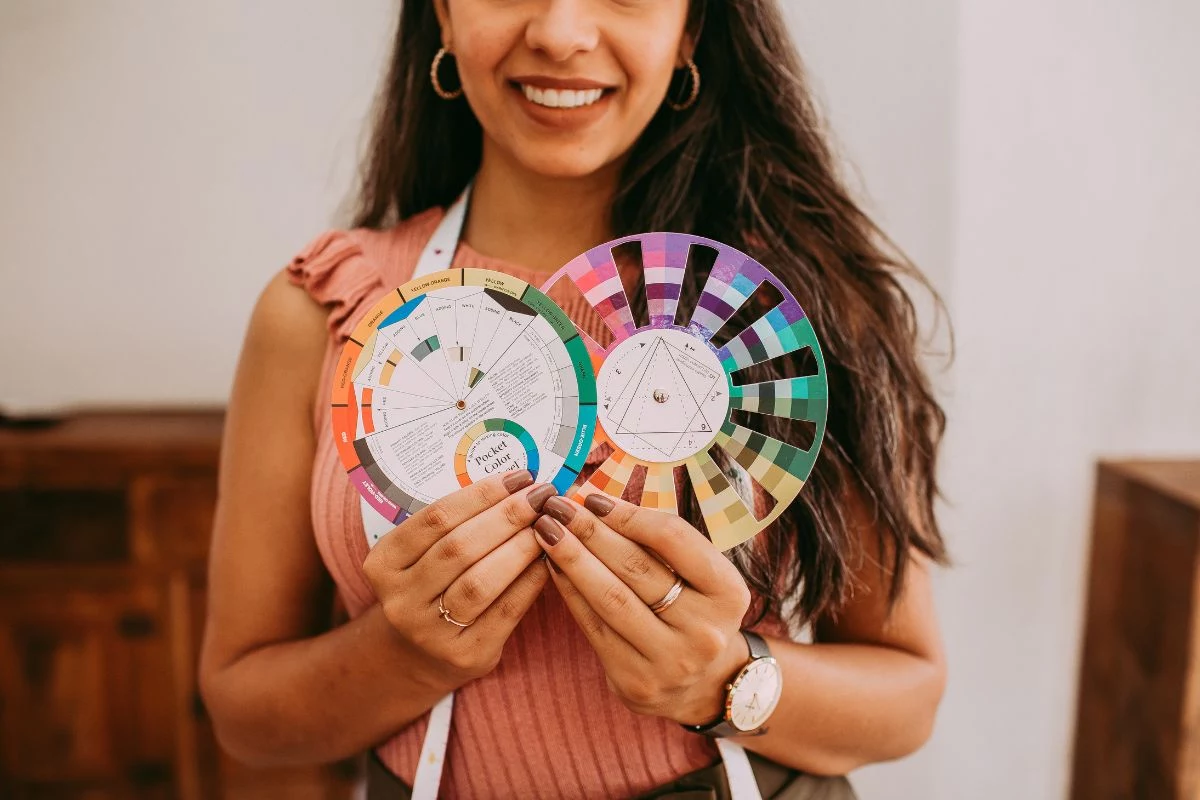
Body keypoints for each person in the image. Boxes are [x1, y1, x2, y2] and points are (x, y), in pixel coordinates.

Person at [198, 1, 951, 798]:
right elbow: (244, 712)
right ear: (444, 16)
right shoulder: (326, 313)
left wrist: (723, 679)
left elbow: (907, 699)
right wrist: (407, 654)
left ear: (691, 28)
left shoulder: (777, 318)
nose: (560, 32)